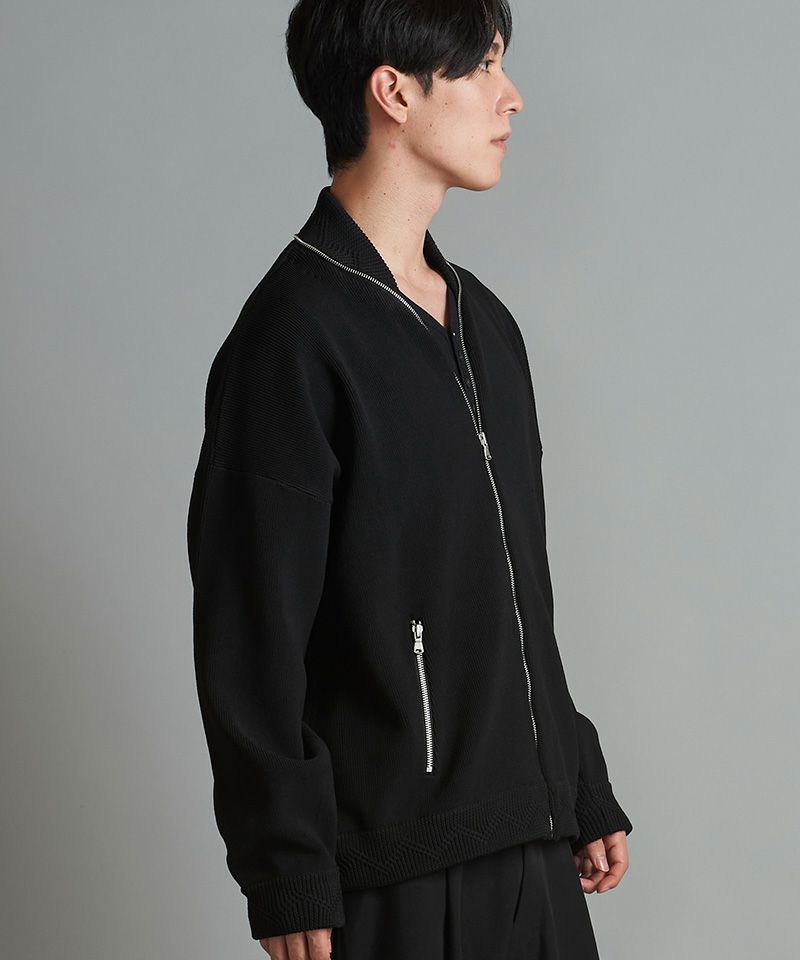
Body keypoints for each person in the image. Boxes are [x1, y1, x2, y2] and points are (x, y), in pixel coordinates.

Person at [187, 2, 634, 958]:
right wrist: (286, 865)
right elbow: (251, 631)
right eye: (481, 67)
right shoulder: (293, 339)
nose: (511, 97)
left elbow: (512, 591)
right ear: (393, 91)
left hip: (536, 848)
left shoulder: (487, 326)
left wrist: (577, 774)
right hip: (397, 870)